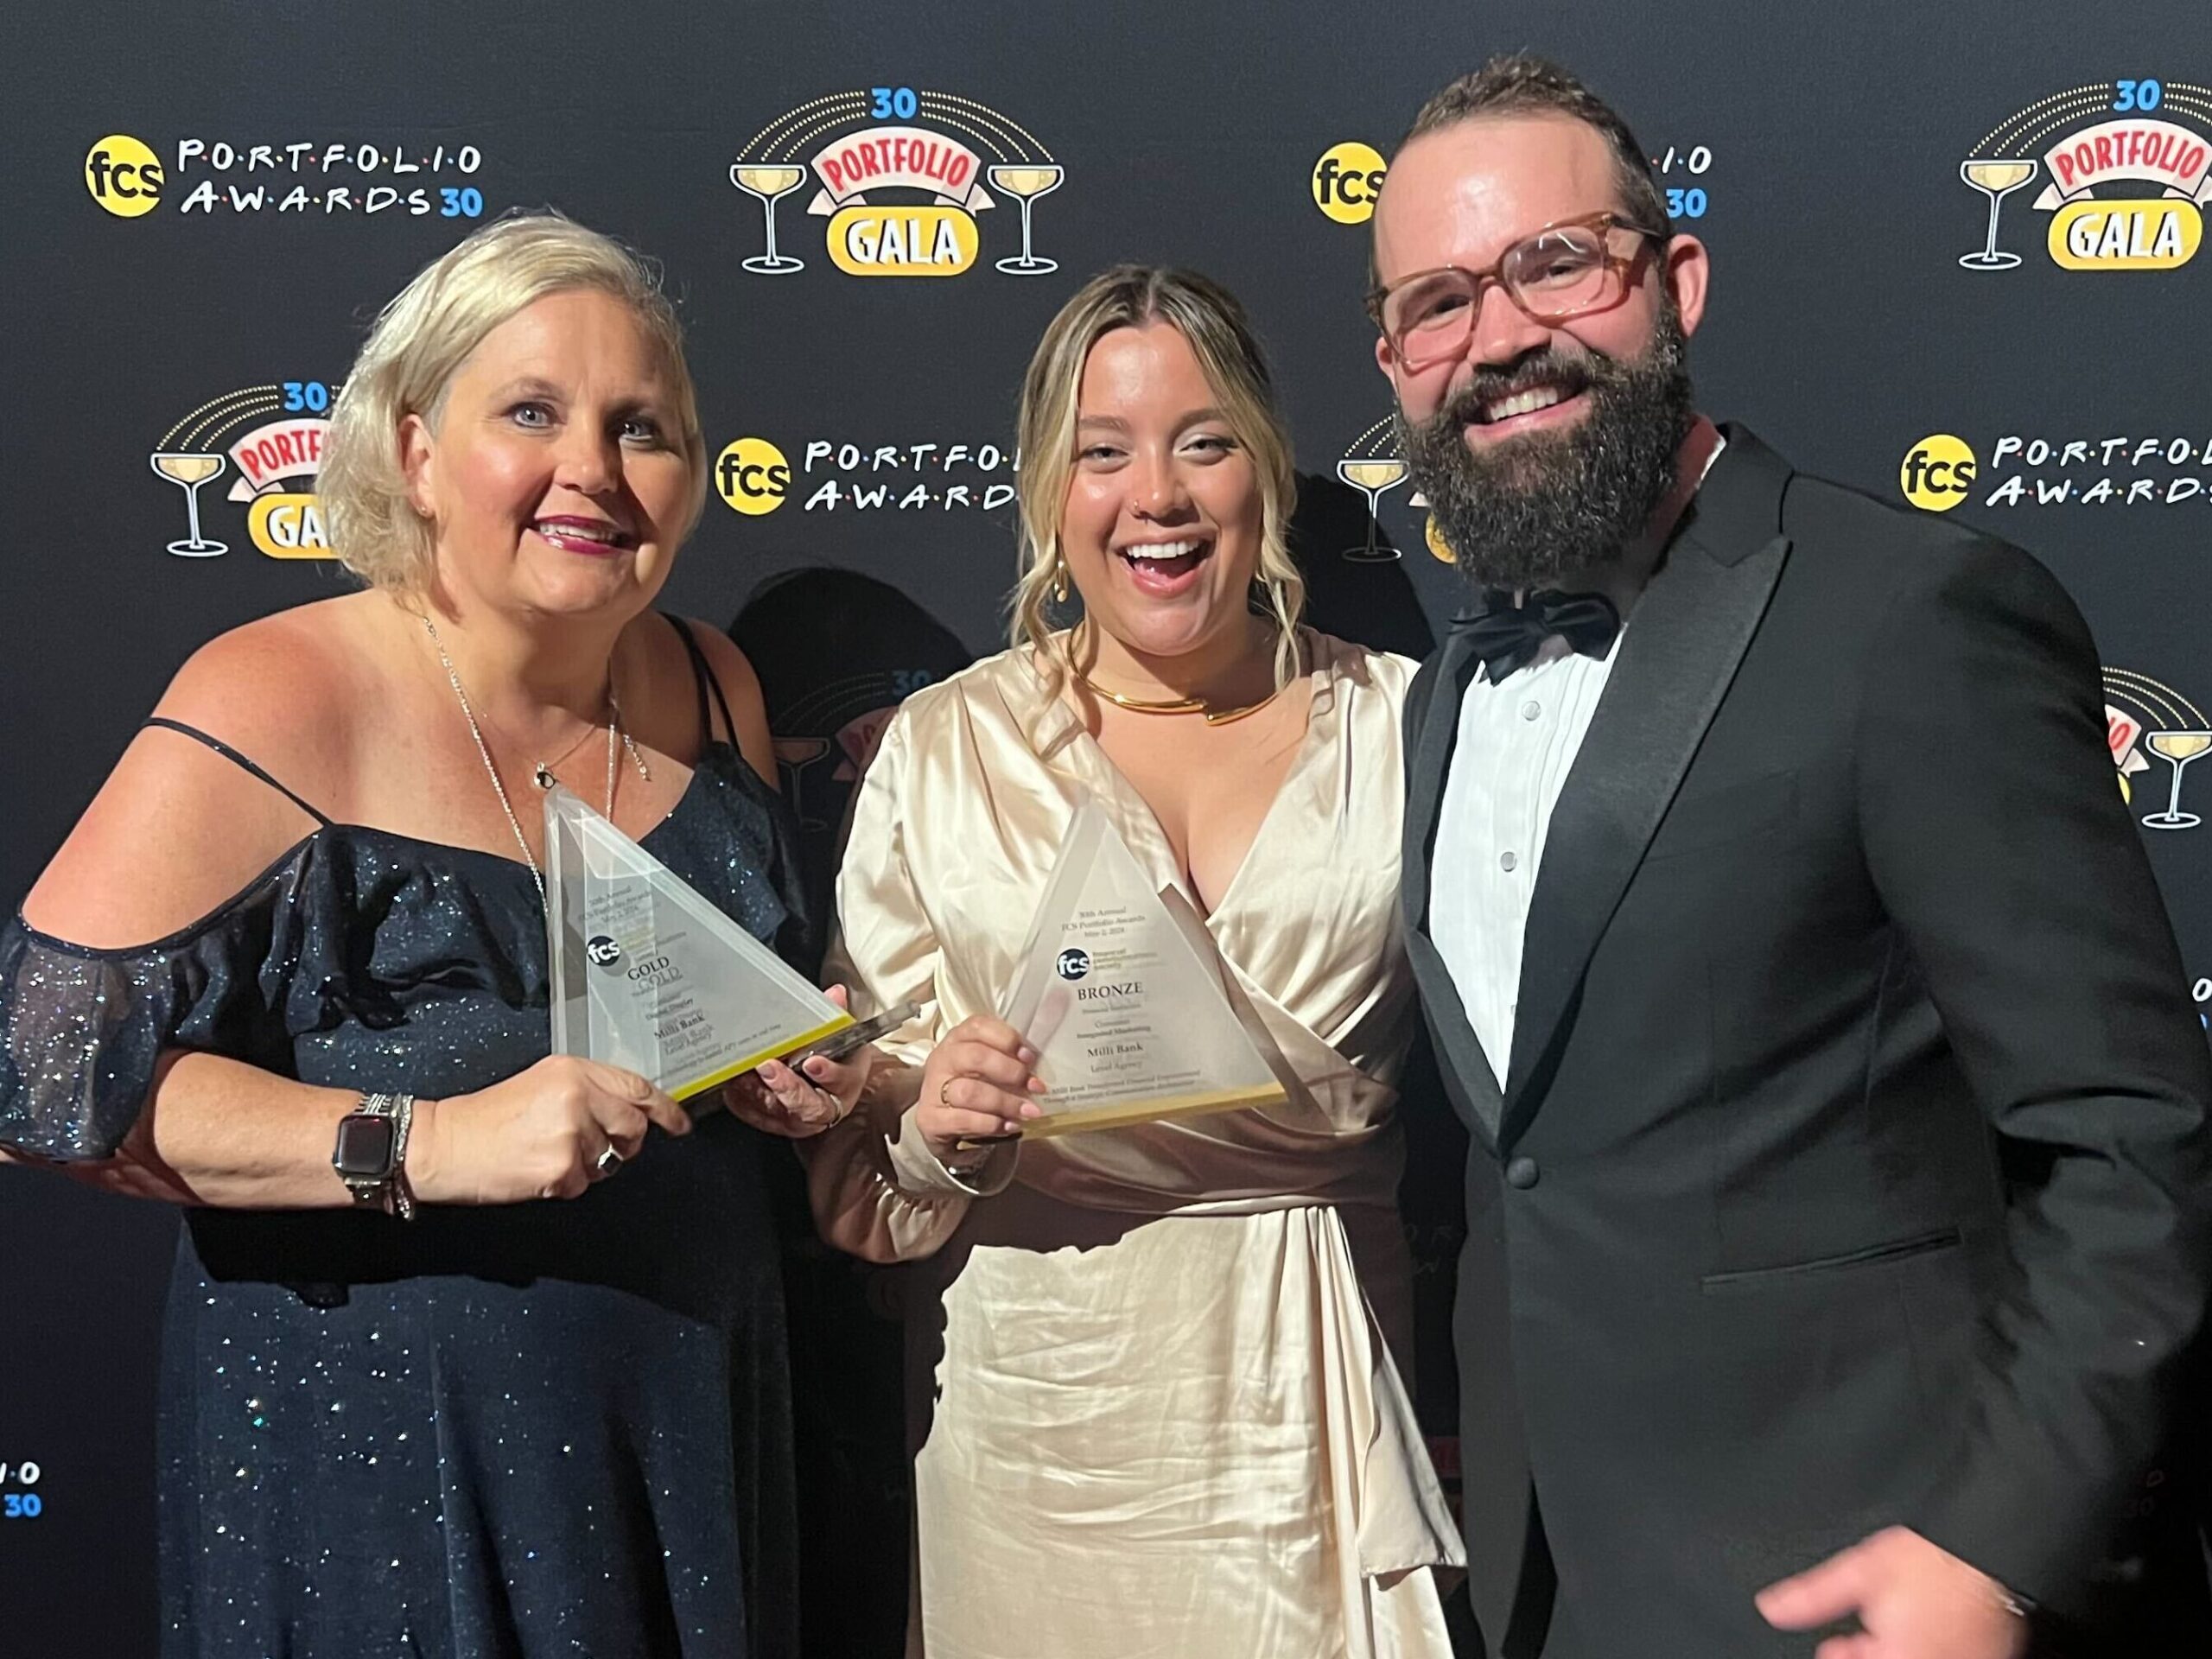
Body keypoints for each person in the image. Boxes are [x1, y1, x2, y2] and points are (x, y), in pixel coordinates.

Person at [1371, 53, 2212, 1658]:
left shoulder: (1911, 615)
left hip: (1881, 1590)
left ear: (1674, 278)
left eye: (1558, 261)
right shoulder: (1449, 695)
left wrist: (1995, 1546)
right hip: (1561, 1587)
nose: (1497, 339)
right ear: (1396, 359)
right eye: (1436, 302)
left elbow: (2132, 1137)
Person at [0, 213, 867, 1658]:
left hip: (685, 1418)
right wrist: (426, 1141)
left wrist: (786, 1062)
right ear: (412, 450)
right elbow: (38, 1086)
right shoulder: (275, 696)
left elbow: (708, 1014)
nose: (591, 468)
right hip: (383, 1480)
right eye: (531, 412)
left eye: (640, 425)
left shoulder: (711, 685)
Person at [804, 265, 1462, 1657]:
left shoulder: (1411, 730)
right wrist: (932, 1121)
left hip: (1320, 1383)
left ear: (1267, 475)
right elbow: (865, 1141)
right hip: (1039, 1416)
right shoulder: (944, 750)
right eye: (1103, 452)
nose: (1154, 494)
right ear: (1051, 488)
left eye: (1203, 441)